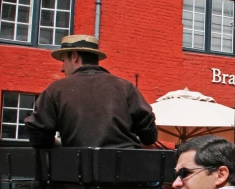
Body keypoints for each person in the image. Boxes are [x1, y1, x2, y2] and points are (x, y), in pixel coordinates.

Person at [25, 34, 158, 148]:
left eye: (63, 60)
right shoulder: (125, 87)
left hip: (77, 171)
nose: (62, 67)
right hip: (124, 172)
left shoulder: (56, 90)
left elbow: (38, 136)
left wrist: (62, 145)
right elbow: (149, 136)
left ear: (75, 56)